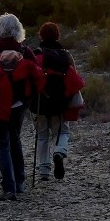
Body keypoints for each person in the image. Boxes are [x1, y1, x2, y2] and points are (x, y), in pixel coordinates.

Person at [0, 13, 45, 200]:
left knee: (1, 144)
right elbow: (37, 75)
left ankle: (9, 188)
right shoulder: (25, 51)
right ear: (18, 30)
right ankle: (20, 182)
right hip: (18, 104)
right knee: (15, 139)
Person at [32, 22, 86, 181]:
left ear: (40, 36)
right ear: (58, 36)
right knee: (62, 131)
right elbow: (74, 78)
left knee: (41, 136)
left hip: (40, 102)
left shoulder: (36, 55)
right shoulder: (66, 55)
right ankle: (59, 152)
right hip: (60, 103)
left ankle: (43, 170)